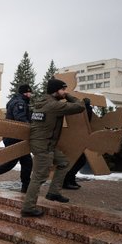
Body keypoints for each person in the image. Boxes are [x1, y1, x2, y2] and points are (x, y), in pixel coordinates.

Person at [22, 78, 86, 216]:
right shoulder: (54, 106)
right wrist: (68, 96)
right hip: (43, 145)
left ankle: (53, 193)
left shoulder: (42, 103)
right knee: (39, 176)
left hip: (44, 143)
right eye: (63, 89)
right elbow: (80, 106)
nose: (65, 92)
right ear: (56, 91)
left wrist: (62, 94)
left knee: (63, 163)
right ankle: (28, 207)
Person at [0, 83, 33, 192]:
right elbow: (20, 119)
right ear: (26, 92)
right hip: (15, 137)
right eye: (30, 92)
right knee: (10, 163)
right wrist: (31, 126)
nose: (31, 95)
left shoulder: (17, 101)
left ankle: (26, 186)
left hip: (16, 136)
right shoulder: (19, 103)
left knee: (27, 161)